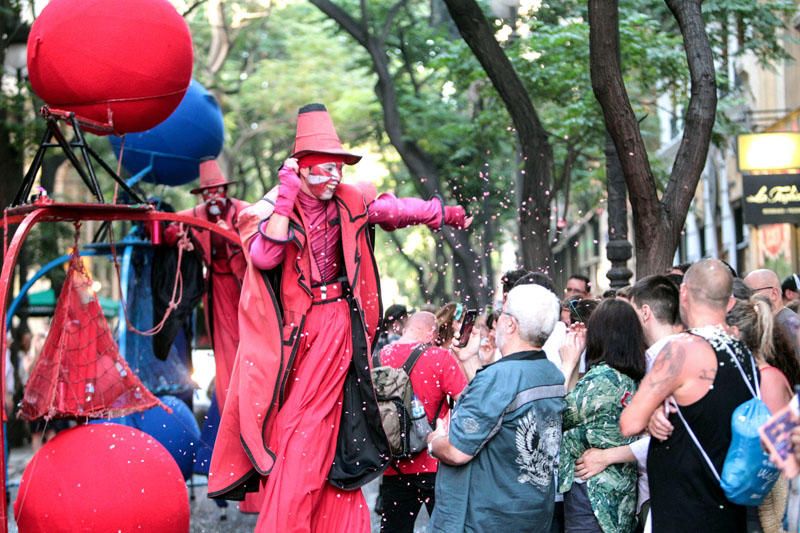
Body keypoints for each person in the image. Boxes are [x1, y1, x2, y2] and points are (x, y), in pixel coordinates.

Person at [208, 103, 471, 532]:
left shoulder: (351, 198)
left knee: (331, 433)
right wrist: (288, 195)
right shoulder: (272, 207)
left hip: (341, 330)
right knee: (297, 434)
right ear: (300, 168)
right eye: (324, 168)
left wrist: (443, 214)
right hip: (294, 339)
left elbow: (394, 211)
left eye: (339, 167)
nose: (334, 176)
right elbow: (263, 254)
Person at [620, 259, 758, 533]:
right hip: (727, 505)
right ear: (729, 302)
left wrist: (650, 414)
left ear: (683, 293)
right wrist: (661, 411)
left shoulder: (680, 350)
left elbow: (629, 423)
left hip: (687, 505)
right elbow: (706, 408)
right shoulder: (742, 350)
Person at [427, 284, 564, 532]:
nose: (497, 320)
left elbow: (458, 451)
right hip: (530, 512)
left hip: (486, 517)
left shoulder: (500, 378)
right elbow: (494, 412)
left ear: (511, 324)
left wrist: (434, 441)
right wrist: (470, 359)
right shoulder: (550, 372)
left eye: (502, 313)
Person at [163, 159, 249, 408]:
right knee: (224, 349)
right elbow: (168, 226)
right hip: (216, 287)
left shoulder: (243, 210)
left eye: (217, 191)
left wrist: (231, 235)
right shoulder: (196, 215)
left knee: (251, 340)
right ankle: (229, 400)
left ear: (225, 191)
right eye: (207, 192)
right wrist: (180, 238)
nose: (213, 197)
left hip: (245, 283)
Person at [558, 299, 645, 533]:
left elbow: (557, 415)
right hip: (620, 495)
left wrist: (567, 364)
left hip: (591, 497)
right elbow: (581, 406)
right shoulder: (634, 378)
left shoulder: (602, 379)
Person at [377, 311, 466, 532]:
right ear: (431, 332)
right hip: (435, 462)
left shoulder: (379, 357)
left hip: (394, 464)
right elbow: (467, 402)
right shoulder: (440, 357)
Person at [744, 268, 800, 357]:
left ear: (774, 293)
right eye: (744, 294)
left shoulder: (789, 325)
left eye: (751, 292)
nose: (746, 299)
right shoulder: (775, 323)